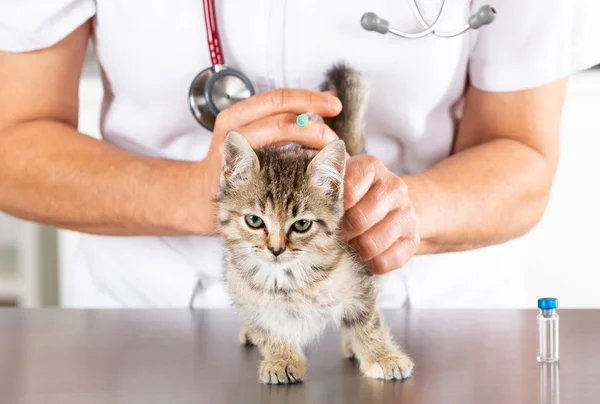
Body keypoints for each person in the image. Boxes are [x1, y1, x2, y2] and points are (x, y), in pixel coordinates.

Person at [1, 1, 599, 308]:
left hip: (426, 322)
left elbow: (522, 153)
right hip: (151, 316)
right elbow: (13, 140)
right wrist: (188, 195)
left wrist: (407, 211)